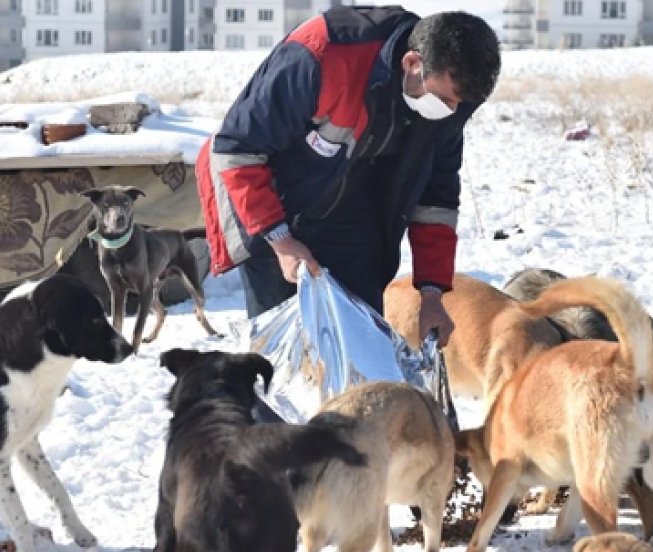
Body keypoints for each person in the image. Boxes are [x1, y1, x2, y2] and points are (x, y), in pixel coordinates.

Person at [197, 6, 501, 347]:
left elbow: (436, 201)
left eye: (460, 104)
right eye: (445, 99)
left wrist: (432, 293)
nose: (452, 111)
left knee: (361, 347)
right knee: (281, 356)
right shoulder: (323, 56)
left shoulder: (449, 106)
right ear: (412, 64)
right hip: (270, 203)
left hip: (353, 217)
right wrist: (281, 241)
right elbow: (237, 149)